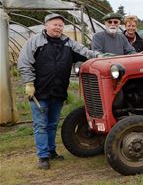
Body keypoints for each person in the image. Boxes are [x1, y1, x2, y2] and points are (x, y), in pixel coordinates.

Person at [17, 13, 101, 169]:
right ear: (46, 25)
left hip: (58, 91)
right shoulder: (35, 42)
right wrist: (29, 82)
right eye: (54, 24)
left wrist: (99, 56)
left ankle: (51, 151)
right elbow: (24, 63)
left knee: (53, 124)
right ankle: (43, 156)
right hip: (39, 92)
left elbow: (84, 52)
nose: (58, 27)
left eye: (61, 25)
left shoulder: (68, 43)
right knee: (40, 125)